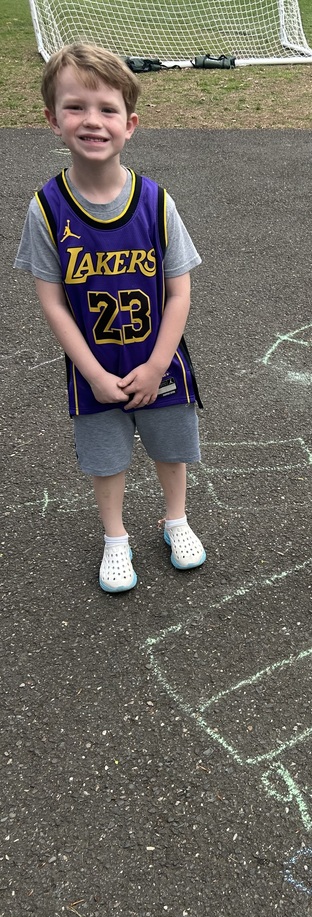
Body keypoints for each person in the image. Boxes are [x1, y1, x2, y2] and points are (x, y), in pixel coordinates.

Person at [14, 43, 206, 594]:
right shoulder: (47, 208)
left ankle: (176, 520)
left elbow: (180, 293)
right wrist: (94, 374)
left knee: (171, 448)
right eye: (75, 107)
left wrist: (156, 365)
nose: (92, 121)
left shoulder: (155, 201)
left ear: (130, 124)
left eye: (107, 109)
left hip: (158, 359)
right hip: (93, 364)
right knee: (107, 458)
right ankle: (115, 537)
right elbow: (51, 300)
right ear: (52, 119)